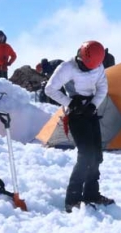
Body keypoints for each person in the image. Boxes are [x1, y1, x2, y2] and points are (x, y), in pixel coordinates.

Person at [44, 41, 114, 212]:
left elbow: (103, 88)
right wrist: (70, 102)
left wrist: (93, 105)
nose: (87, 69)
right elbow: (49, 89)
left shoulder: (98, 67)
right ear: (80, 56)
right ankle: (72, 199)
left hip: (90, 112)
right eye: (84, 66)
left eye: (90, 68)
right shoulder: (67, 67)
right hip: (75, 115)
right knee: (85, 155)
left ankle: (91, 194)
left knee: (96, 154)